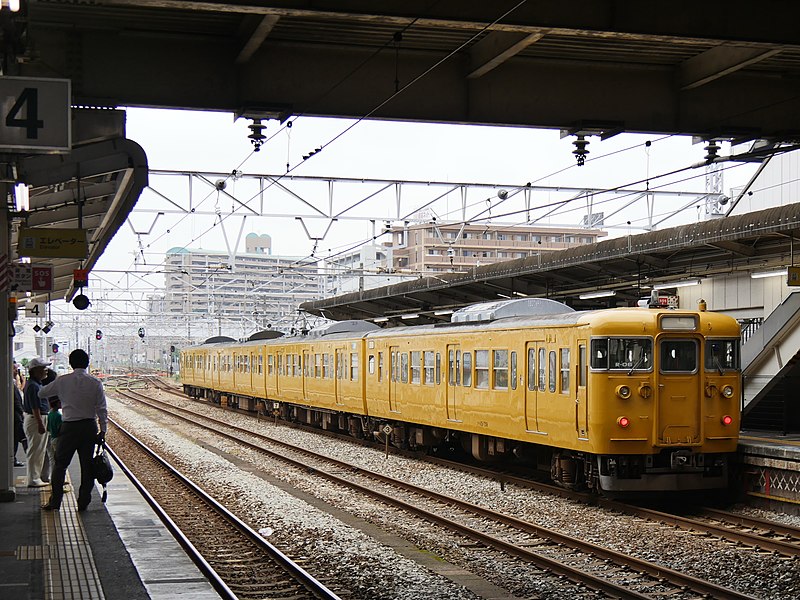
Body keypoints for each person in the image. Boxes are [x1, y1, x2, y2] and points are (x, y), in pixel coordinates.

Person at [40, 349, 107, 512]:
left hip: (69, 427)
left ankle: (55, 502)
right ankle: (83, 501)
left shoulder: (62, 381)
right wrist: (103, 430)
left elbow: (42, 393)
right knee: (87, 465)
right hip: (89, 427)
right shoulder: (95, 382)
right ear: (87, 363)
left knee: (60, 464)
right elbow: (102, 409)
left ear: (70, 363)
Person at [22, 357, 51, 487]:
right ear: (35, 371)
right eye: (43, 368)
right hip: (36, 420)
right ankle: (33, 479)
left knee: (39, 449)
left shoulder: (35, 384)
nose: (46, 370)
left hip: (36, 419)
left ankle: (38, 476)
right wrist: (40, 423)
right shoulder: (34, 386)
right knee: (35, 450)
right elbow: (35, 407)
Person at [45, 397, 62, 483]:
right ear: (57, 404)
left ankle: (52, 478)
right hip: (57, 439)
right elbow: (61, 429)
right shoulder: (59, 416)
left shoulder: (49, 414)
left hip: (50, 437)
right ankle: (57, 479)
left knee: (52, 458)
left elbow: (47, 428)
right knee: (59, 460)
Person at [12, 364, 26, 466]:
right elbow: (16, 401)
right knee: (18, 437)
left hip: (17, 415)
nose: (16, 371)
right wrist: (21, 412)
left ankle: (13, 457)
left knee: (17, 438)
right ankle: (13, 457)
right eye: (15, 369)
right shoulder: (10, 384)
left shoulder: (12, 383)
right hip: (16, 416)